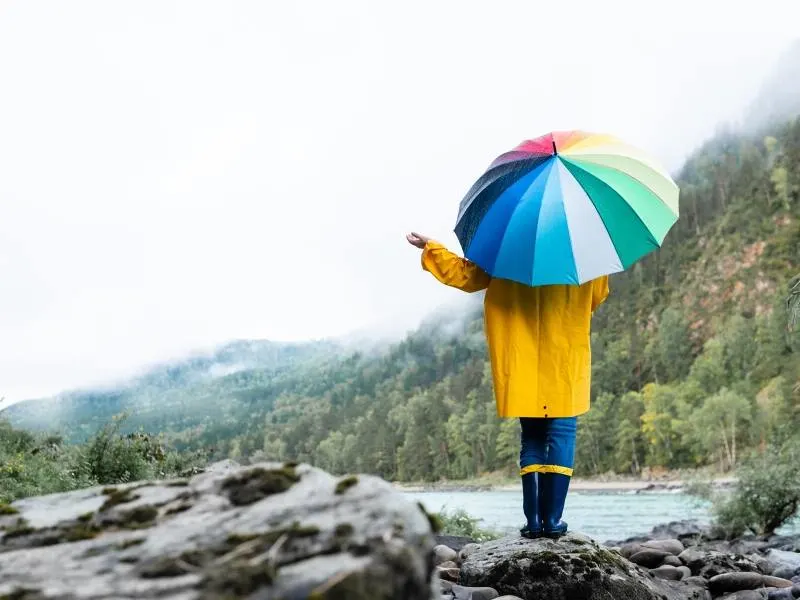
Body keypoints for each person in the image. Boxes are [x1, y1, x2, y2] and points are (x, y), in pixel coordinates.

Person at [406, 231, 609, 539]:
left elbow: (466, 275)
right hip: (564, 360)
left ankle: (533, 523)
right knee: (562, 434)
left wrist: (432, 248)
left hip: (521, 360)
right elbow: (596, 297)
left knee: (532, 438)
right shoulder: (585, 252)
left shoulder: (508, 245)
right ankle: (552, 522)